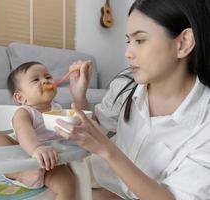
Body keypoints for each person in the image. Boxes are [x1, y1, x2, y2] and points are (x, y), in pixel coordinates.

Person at [55, 0, 210, 199]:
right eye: (129, 41)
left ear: (183, 43)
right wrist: (79, 97)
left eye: (140, 40)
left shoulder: (204, 122)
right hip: (91, 183)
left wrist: (108, 151)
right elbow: (95, 131)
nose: (128, 53)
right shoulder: (126, 85)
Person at [0, 61, 76, 200]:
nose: (45, 81)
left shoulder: (58, 109)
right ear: (20, 97)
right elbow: (23, 132)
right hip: (23, 159)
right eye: (36, 79)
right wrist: (36, 149)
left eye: (48, 77)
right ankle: (18, 174)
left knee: (68, 183)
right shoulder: (24, 113)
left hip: (51, 163)